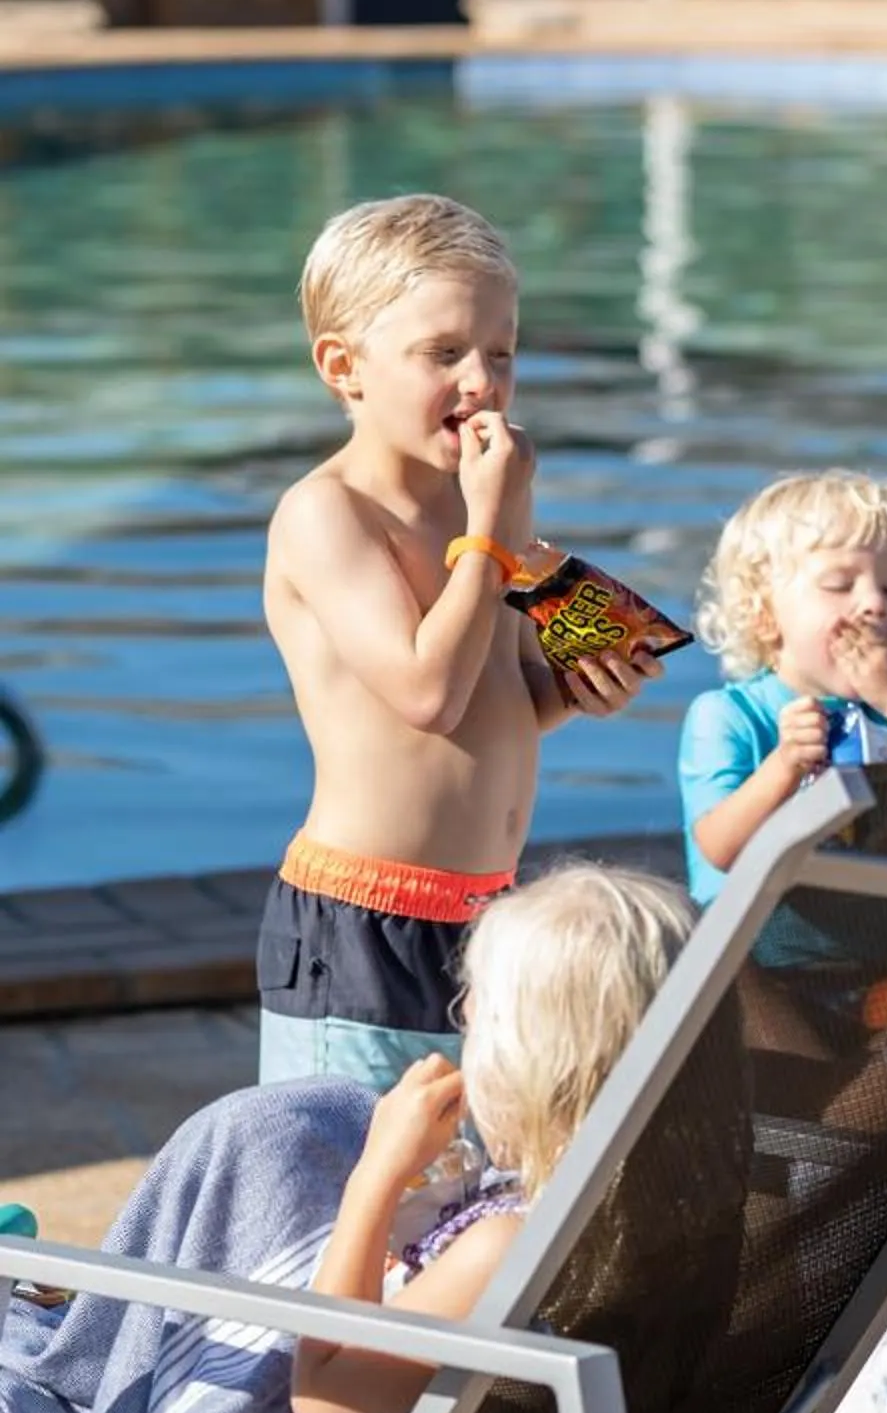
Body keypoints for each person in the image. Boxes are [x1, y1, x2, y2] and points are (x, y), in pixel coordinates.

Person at [0, 864, 697, 1413]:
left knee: (253, 1137)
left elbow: (326, 1399)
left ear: (536, 1059)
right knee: (285, 1129)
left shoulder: (508, 1246)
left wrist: (377, 1174)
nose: (464, 1031)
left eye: (477, 1014)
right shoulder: (661, 1210)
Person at [258, 196, 664, 1092]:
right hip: (363, 921)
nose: (481, 380)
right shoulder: (327, 515)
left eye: (501, 352)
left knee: (457, 1194)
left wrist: (578, 687)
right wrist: (493, 532)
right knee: (357, 1184)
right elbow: (425, 694)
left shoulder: (481, 507)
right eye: (443, 354)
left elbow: (498, 695)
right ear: (344, 367)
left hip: (484, 913)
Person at [677, 469, 887, 904]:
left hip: (872, 938)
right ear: (764, 617)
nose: (874, 603)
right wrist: (785, 764)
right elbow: (720, 847)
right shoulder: (727, 714)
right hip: (753, 950)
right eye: (839, 585)